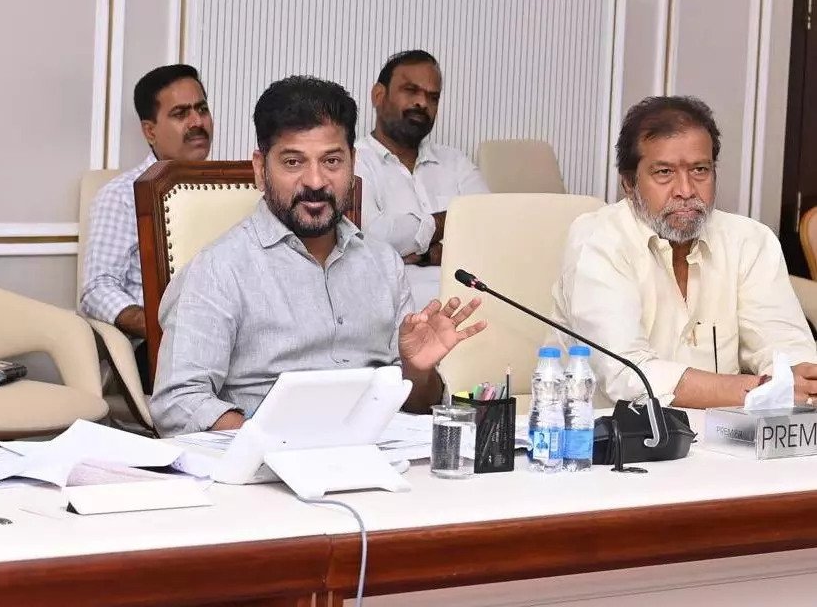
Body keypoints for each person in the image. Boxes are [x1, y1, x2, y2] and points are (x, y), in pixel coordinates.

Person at [149, 75, 486, 437]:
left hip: (381, 457)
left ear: (353, 164)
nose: (315, 181)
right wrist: (276, 443)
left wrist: (417, 370)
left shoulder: (384, 264)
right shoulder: (218, 269)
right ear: (260, 169)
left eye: (332, 161)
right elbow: (178, 403)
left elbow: (418, 406)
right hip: (268, 461)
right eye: (293, 162)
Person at [551, 95, 817, 408]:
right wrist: (760, 389)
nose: (686, 190)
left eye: (700, 170)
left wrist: (798, 378)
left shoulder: (750, 240)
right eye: (664, 172)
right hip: (607, 431)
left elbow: (787, 348)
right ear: (629, 184)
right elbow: (627, 375)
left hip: (722, 431)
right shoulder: (598, 239)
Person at [80, 64, 214, 392]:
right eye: (180, 113)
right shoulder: (122, 194)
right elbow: (97, 289)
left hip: (234, 338)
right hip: (163, 347)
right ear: (150, 131)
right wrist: (159, 325)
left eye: (202, 109)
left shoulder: (236, 189)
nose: (197, 122)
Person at [355, 50, 489, 307]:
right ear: (379, 95)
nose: (422, 103)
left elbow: (491, 224)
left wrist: (422, 252)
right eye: (411, 90)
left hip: (474, 307)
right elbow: (371, 239)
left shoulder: (455, 162)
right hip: (400, 311)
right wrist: (450, 223)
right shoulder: (355, 162)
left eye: (433, 97)